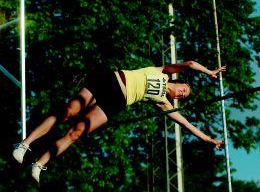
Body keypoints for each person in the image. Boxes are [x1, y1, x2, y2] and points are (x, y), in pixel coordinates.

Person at [12, 60, 226, 182]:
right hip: (111, 81)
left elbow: (186, 124)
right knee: (68, 111)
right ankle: (24, 145)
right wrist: (209, 71)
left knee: (76, 133)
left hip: (117, 102)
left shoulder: (163, 102)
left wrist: (207, 139)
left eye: (184, 95)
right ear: (177, 81)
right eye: (183, 89)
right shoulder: (163, 72)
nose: (181, 93)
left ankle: (39, 164)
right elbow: (188, 63)